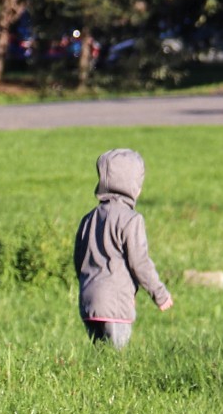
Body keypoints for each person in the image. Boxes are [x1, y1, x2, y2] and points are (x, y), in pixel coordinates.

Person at [74, 148, 172, 350]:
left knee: (100, 359)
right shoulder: (131, 220)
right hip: (116, 303)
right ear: (133, 185)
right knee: (117, 360)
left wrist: (87, 284)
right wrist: (159, 294)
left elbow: (79, 259)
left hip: (88, 300)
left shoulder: (88, 219)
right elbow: (139, 262)